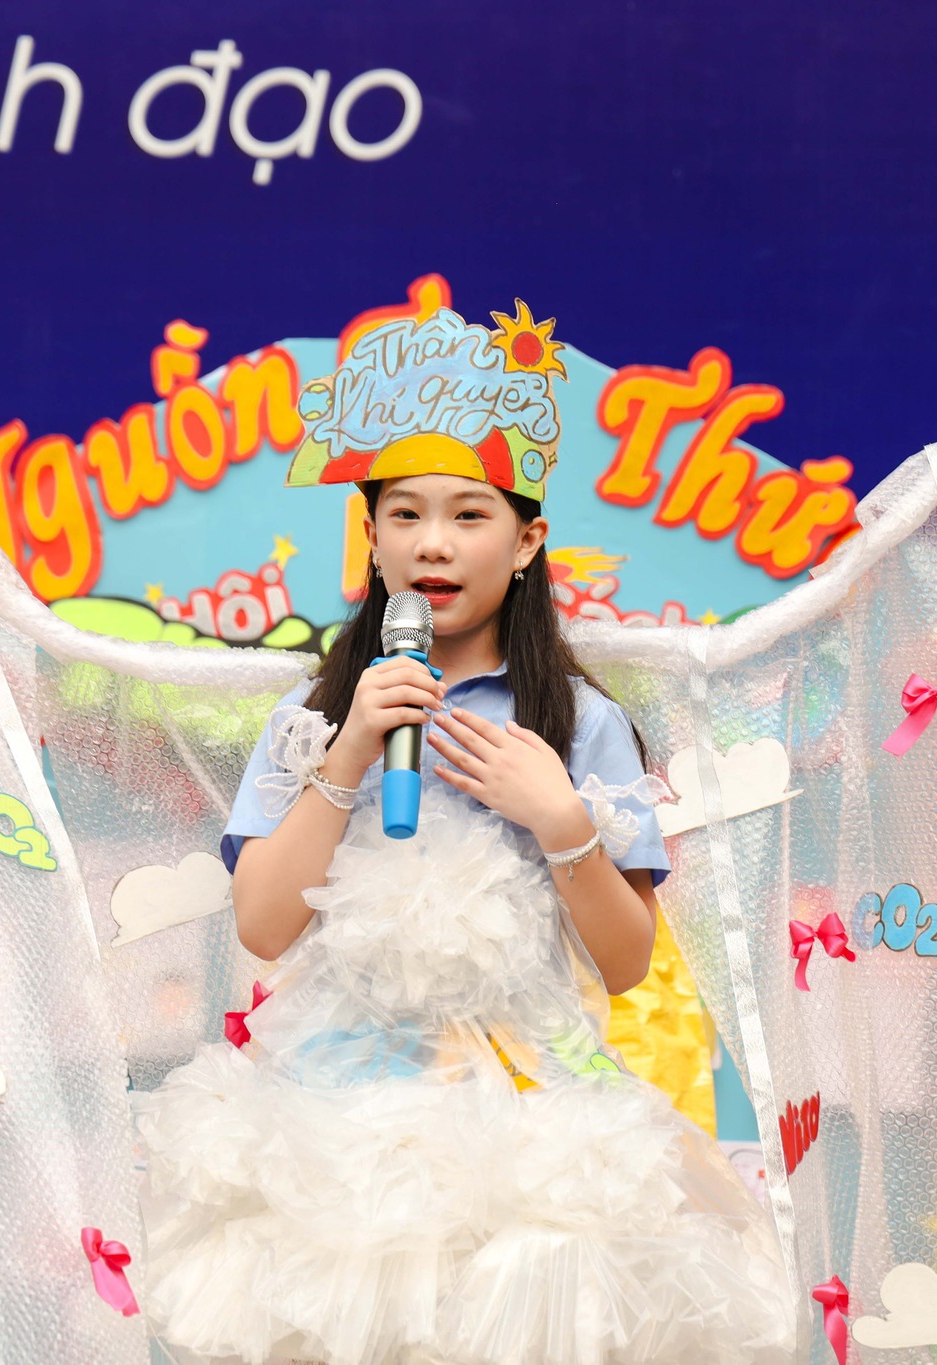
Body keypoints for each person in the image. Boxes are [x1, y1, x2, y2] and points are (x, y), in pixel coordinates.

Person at [133, 306, 796, 1364]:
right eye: (403, 514)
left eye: (468, 514)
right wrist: (349, 751)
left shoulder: (580, 723)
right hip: (343, 1120)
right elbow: (262, 927)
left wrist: (561, 822)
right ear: (371, 535)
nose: (432, 542)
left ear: (526, 541)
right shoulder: (314, 715)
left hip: (531, 1120)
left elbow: (626, 963)